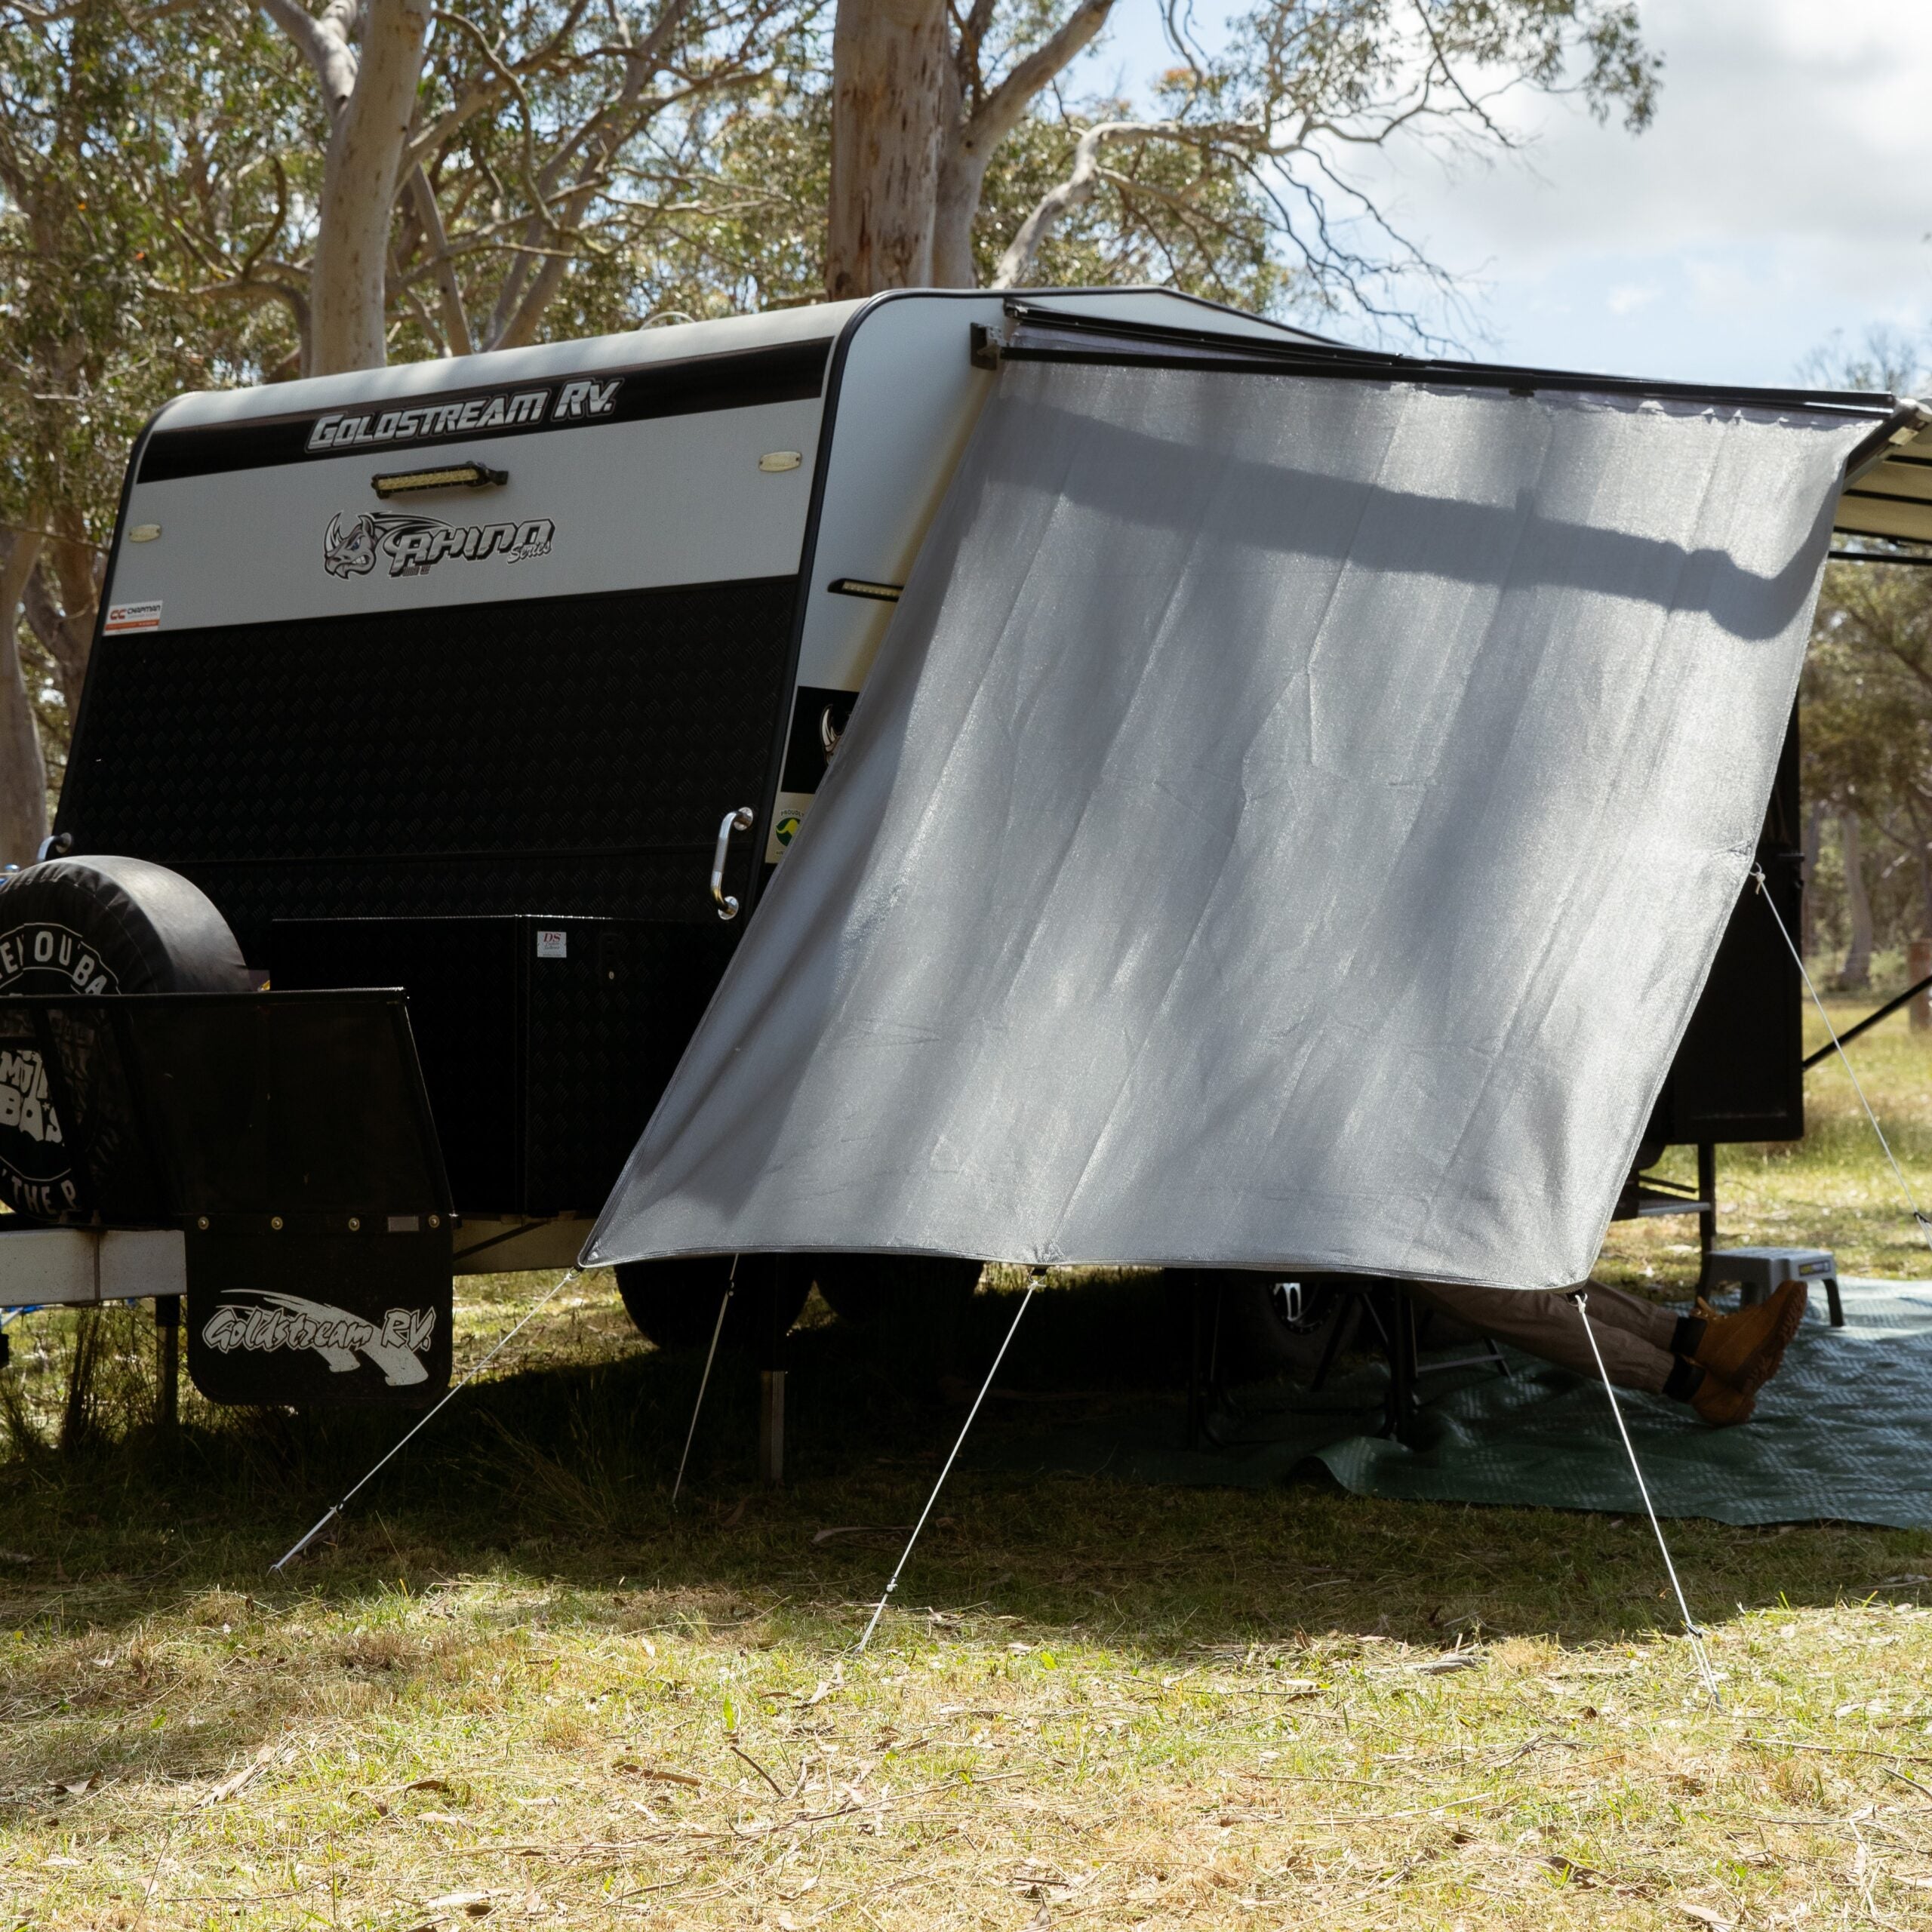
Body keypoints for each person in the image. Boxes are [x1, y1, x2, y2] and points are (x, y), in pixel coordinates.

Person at [1404, 1276, 1807, 1426]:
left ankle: (1702, 1342)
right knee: (1495, 1289)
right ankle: (1697, 1382)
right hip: (1366, 1239)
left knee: (1537, 1270)